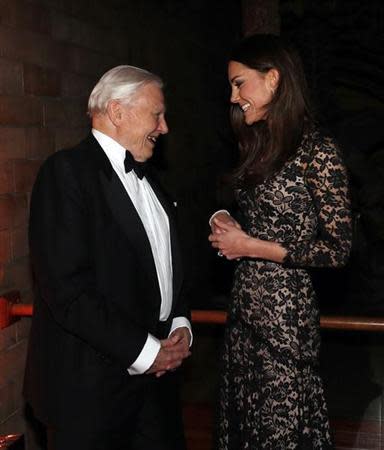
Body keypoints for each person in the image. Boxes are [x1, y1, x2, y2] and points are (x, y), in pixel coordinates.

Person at [24, 65, 192, 450]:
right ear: (118, 112)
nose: (164, 127)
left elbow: (168, 269)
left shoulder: (153, 180)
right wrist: (148, 352)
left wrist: (180, 321)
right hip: (91, 393)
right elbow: (68, 291)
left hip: (158, 389)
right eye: (157, 114)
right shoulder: (65, 172)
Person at [208, 34, 352, 449]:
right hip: (244, 311)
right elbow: (231, 203)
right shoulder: (256, 145)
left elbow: (337, 249)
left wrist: (252, 247)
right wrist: (221, 217)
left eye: (240, 83)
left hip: (286, 317)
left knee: (281, 433)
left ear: (273, 79)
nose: (234, 97)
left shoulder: (318, 152)